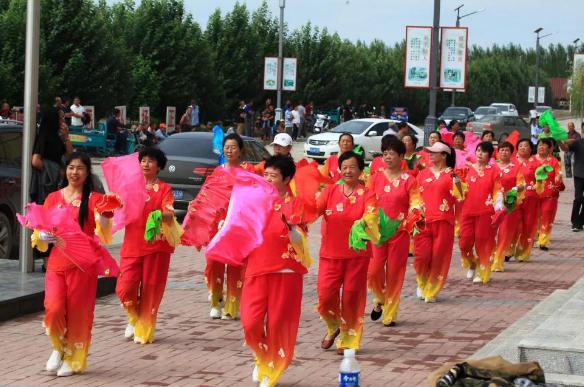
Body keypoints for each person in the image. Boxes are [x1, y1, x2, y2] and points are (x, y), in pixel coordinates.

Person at [40, 152, 119, 376]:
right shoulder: (53, 198)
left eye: (80, 168)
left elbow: (103, 231)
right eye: (71, 168)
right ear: (65, 170)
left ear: (87, 173)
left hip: (83, 265)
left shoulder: (93, 199)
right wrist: (42, 235)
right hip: (56, 263)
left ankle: (74, 358)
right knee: (54, 308)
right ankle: (58, 346)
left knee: (78, 313)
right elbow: (42, 227)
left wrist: (107, 211)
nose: (75, 172)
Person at [241, 155, 311, 387]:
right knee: (250, 322)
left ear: (287, 179)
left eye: (273, 176)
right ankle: (262, 357)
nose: (268, 179)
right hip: (256, 267)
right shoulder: (254, 201)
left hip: (286, 271)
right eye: (266, 175)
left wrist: (291, 227)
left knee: (278, 324)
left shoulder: (296, 204)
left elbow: (301, 240)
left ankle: (273, 368)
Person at [116, 147, 182, 344]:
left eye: (151, 161)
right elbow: (117, 209)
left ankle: (144, 326)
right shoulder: (129, 187)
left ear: (159, 166)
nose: (146, 164)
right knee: (125, 288)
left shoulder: (163, 189)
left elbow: (170, 213)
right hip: (132, 245)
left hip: (156, 246)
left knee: (151, 289)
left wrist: (158, 216)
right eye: (143, 160)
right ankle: (134, 318)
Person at [316, 151, 377, 354]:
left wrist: (363, 222)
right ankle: (333, 326)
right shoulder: (329, 192)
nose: (348, 171)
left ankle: (348, 338)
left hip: (357, 256)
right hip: (330, 255)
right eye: (344, 167)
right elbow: (312, 210)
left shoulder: (367, 194)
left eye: (352, 167)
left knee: (352, 297)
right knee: (325, 297)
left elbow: (372, 215)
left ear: (361, 171)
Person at [367, 136, 421, 326]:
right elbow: (368, 201)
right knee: (373, 271)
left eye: (392, 153)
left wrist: (413, 216)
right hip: (378, 233)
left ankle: (390, 313)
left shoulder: (410, 180)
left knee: (395, 273)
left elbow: (416, 202)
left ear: (401, 156)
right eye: (385, 153)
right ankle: (379, 298)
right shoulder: (374, 178)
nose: (388, 157)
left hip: (399, 233)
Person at [205, 133, 255, 320]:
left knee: (235, 265)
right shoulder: (218, 171)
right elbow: (208, 197)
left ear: (240, 150)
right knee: (214, 263)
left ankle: (232, 306)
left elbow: (255, 196)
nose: (229, 150)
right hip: (217, 225)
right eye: (227, 147)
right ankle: (216, 301)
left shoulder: (248, 170)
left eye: (233, 147)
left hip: (239, 225)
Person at [414, 141, 462, 302]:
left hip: (443, 221)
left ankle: (432, 289)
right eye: (430, 152)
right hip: (423, 221)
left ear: (444, 155)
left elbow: (460, 195)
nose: (430, 154)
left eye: (434, 152)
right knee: (422, 256)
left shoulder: (451, 175)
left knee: (438, 257)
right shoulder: (422, 174)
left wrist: (456, 180)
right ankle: (422, 282)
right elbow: (414, 196)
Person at [459, 142, 503, 284]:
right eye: (478, 150)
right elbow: (459, 190)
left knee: (482, 243)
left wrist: (498, 205)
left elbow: (497, 190)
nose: (480, 153)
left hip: (485, 212)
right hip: (467, 211)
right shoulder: (466, 169)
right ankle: (472, 262)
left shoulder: (494, 171)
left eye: (483, 151)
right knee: (464, 243)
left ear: (489, 155)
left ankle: (482, 271)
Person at [491, 142, 525, 272]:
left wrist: (516, 188)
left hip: (508, 206)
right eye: (502, 150)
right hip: (492, 205)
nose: (504, 152)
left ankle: (498, 261)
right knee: (491, 233)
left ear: (511, 153)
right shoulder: (492, 167)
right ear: (498, 152)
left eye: (507, 150)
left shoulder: (516, 168)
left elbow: (521, 183)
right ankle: (490, 256)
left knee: (504, 234)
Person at [531, 138, 563, 250]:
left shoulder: (554, 161)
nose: (541, 147)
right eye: (540, 145)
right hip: (533, 194)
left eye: (544, 145)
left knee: (547, 216)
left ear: (550, 148)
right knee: (534, 217)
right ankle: (535, 235)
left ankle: (543, 241)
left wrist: (557, 184)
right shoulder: (531, 160)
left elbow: (558, 175)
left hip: (549, 193)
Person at [513, 139, 539, 261]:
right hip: (513, 197)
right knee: (511, 224)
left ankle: (523, 252)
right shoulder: (511, 162)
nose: (523, 147)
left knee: (528, 224)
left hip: (530, 197)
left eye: (526, 146)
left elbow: (540, 182)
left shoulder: (535, 163)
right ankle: (508, 249)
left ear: (530, 149)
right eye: (521, 145)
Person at [559, 124, 584, 231]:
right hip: (579, 175)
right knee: (578, 198)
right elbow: (565, 149)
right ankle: (575, 222)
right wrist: (559, 141)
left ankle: (580, 222)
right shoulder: (578, 142)